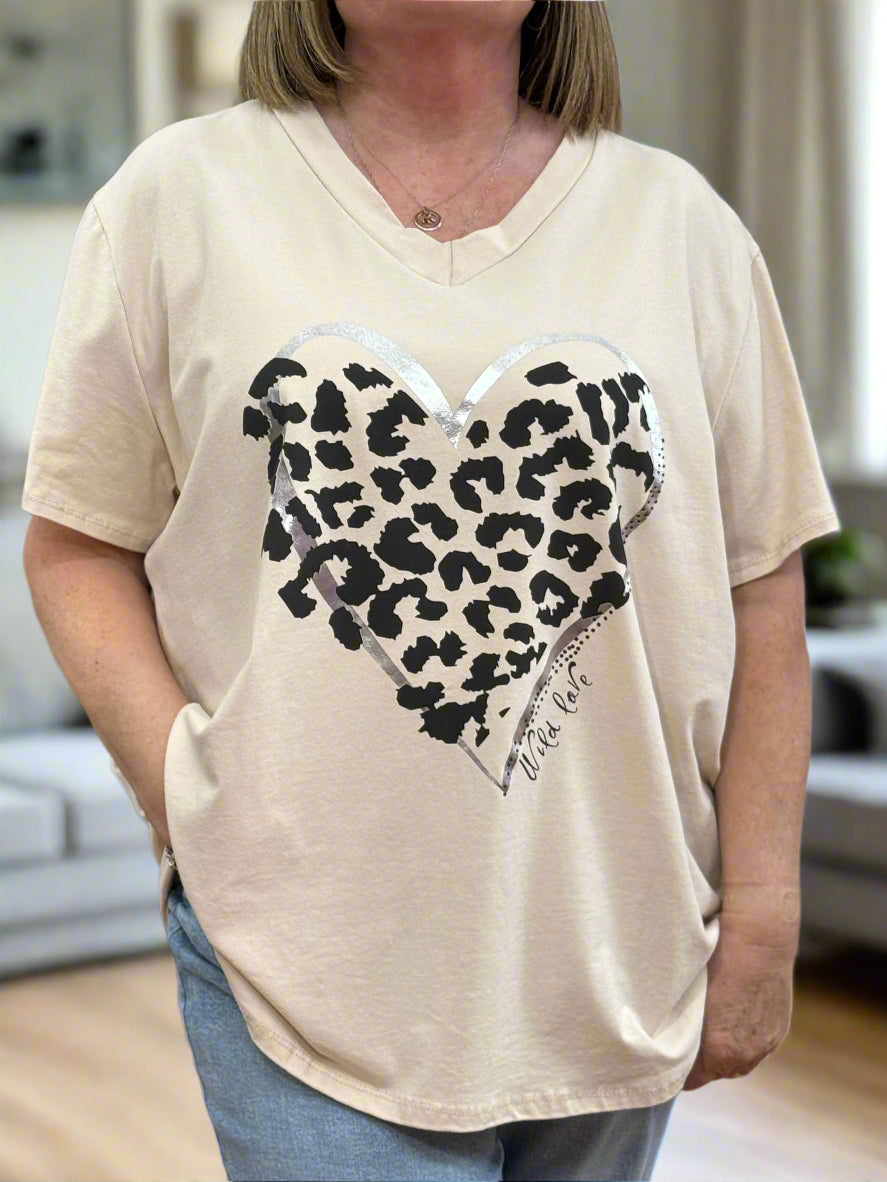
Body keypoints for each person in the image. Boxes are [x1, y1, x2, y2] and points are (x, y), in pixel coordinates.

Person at [20, 1, 841, 1179]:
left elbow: (761, 590)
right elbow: (77, 545)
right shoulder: (177, 200)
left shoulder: (681, 226)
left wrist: (761, 912)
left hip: (621, 949)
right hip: (295, 956)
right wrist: (192, 794)